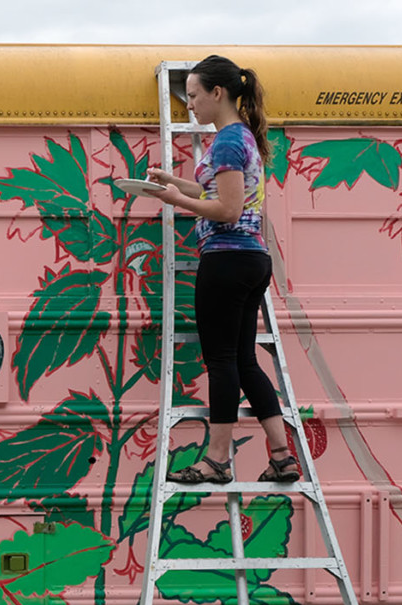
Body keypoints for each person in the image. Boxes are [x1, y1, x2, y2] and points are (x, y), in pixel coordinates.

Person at [147, 55, 298, 484]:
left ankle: (216, 460)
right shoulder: (241, 138)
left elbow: (227, 210)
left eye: (194, 96)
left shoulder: (228, 141)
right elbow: (218, 190)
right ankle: (283, 455)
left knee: (221, 362)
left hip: (227, 259)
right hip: (251, 259)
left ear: (218, 93)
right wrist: (174, 183)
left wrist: (178, 203)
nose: (190, 105)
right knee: (245, 360)